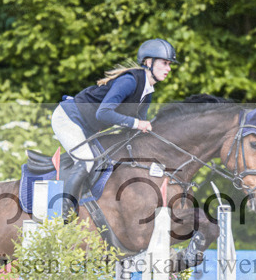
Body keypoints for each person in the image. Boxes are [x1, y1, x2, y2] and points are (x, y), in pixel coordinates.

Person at [51, 38, 178, 218]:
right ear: (149, 62)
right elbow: (103, 113)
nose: (169, 68)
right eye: (164, 63)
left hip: (87, 127)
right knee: (87, 160)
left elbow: (137, 131)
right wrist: (137, 124)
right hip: (68, 117)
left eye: (170, 64)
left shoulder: (147, 92)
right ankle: (63, 211)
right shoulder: (129, 81)